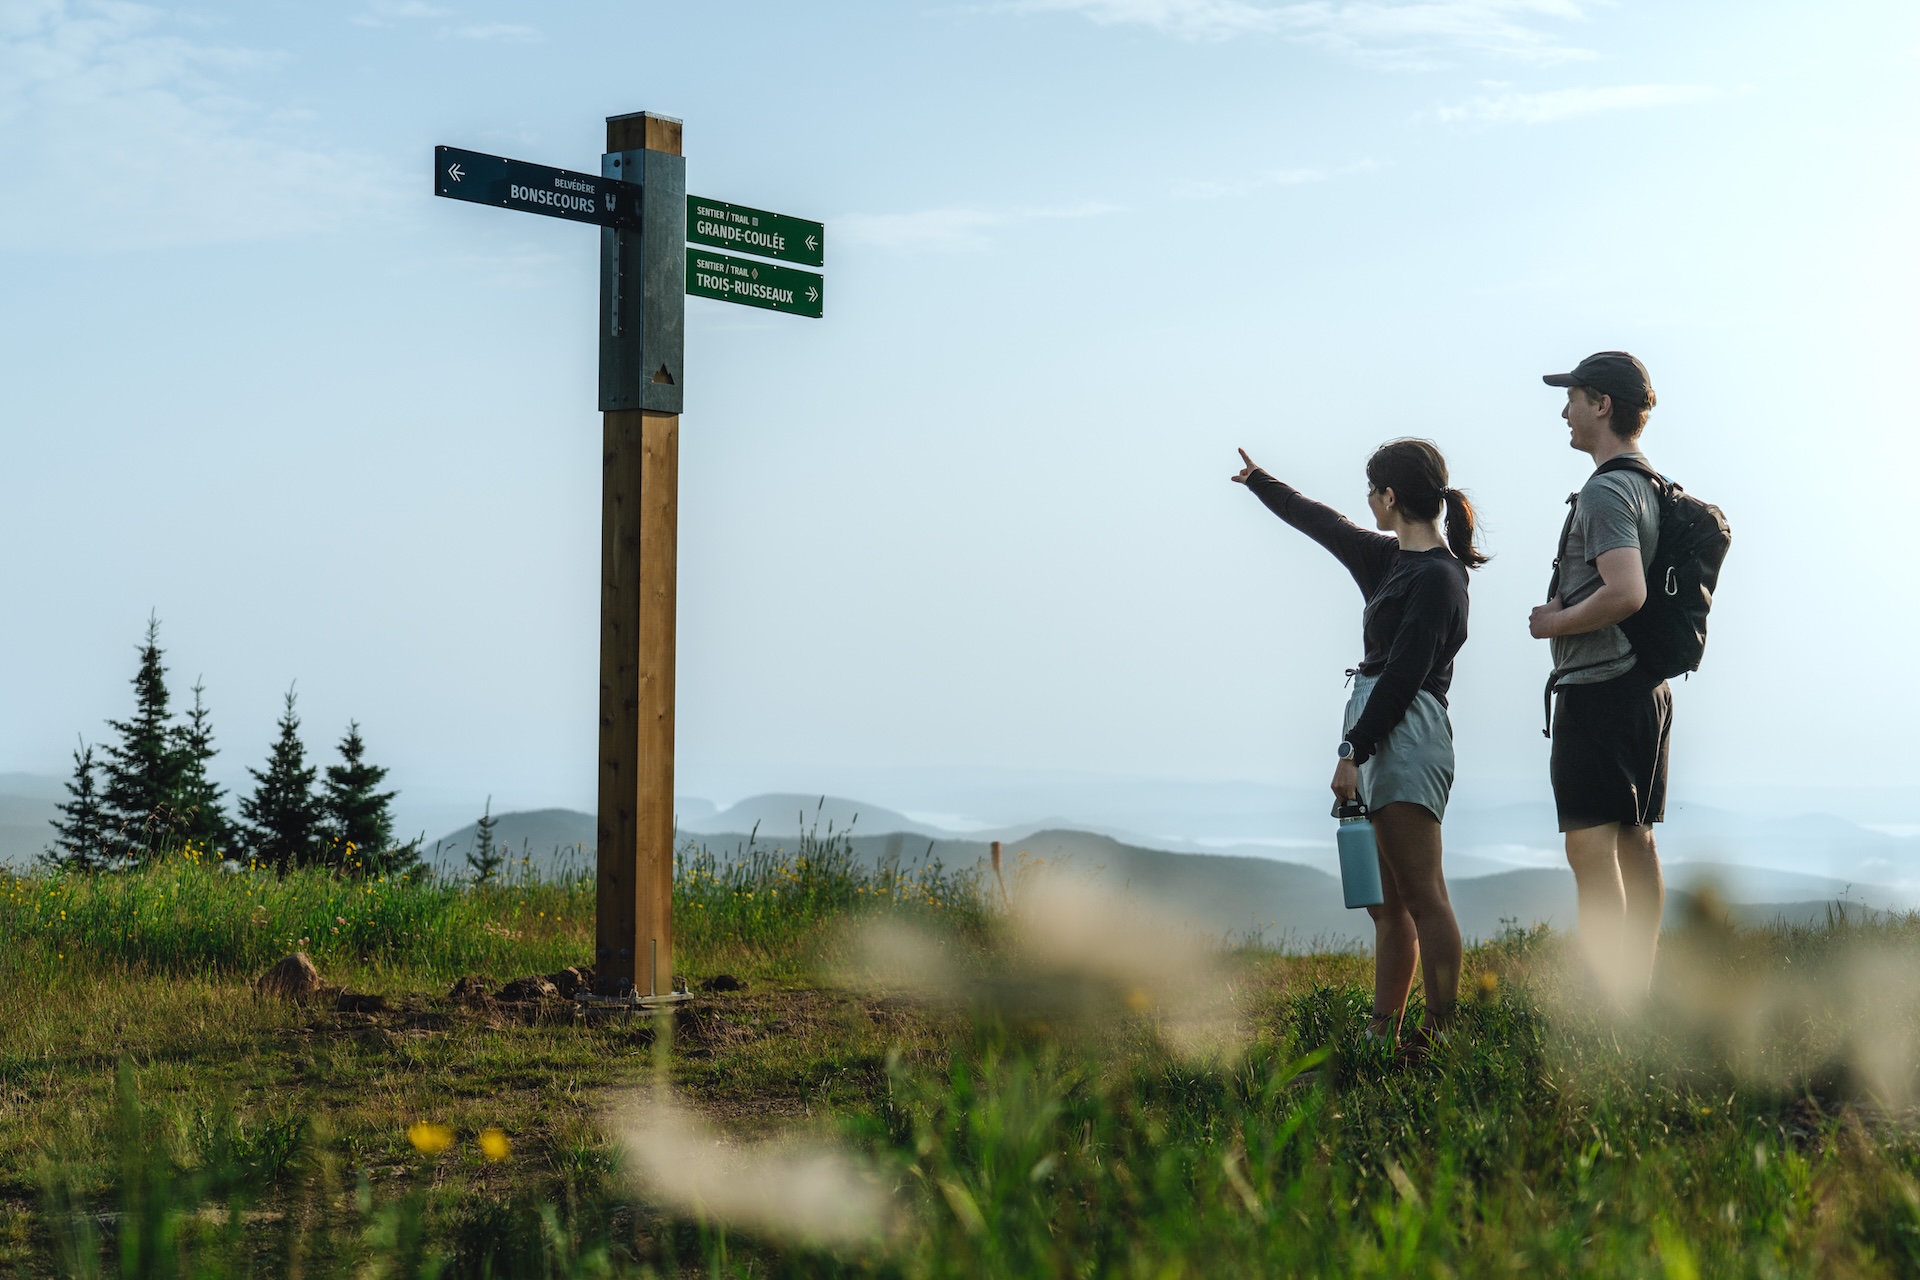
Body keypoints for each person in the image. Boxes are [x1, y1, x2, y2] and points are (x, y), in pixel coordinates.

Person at [1233, 440, 1485, 1050]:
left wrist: (1354, 751)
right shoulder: (1387, 558)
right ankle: (1383, 1030)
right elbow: (1321, 522)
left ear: (1391, 497)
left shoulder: (1440, 578)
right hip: (1378, 726)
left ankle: (1440, 1036)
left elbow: (1405, 672)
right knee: (1387, 903)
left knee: (1423, 894)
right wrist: (1262, 482)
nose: (1367, 502)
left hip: (1406, 731)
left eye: (1372, 490)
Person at [1527, 351, 1668, 1003]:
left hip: (1601, 688)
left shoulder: (1607, 490)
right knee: (1634, 840)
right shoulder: (1651, 484)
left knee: (1590, 849)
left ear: (1602, 406)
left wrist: (1553, 624)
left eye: (1575, 398)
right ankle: (1636, 990)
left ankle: (1612, 1001)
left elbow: (1626, 591)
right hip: (1645, 688)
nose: (1565, 411)